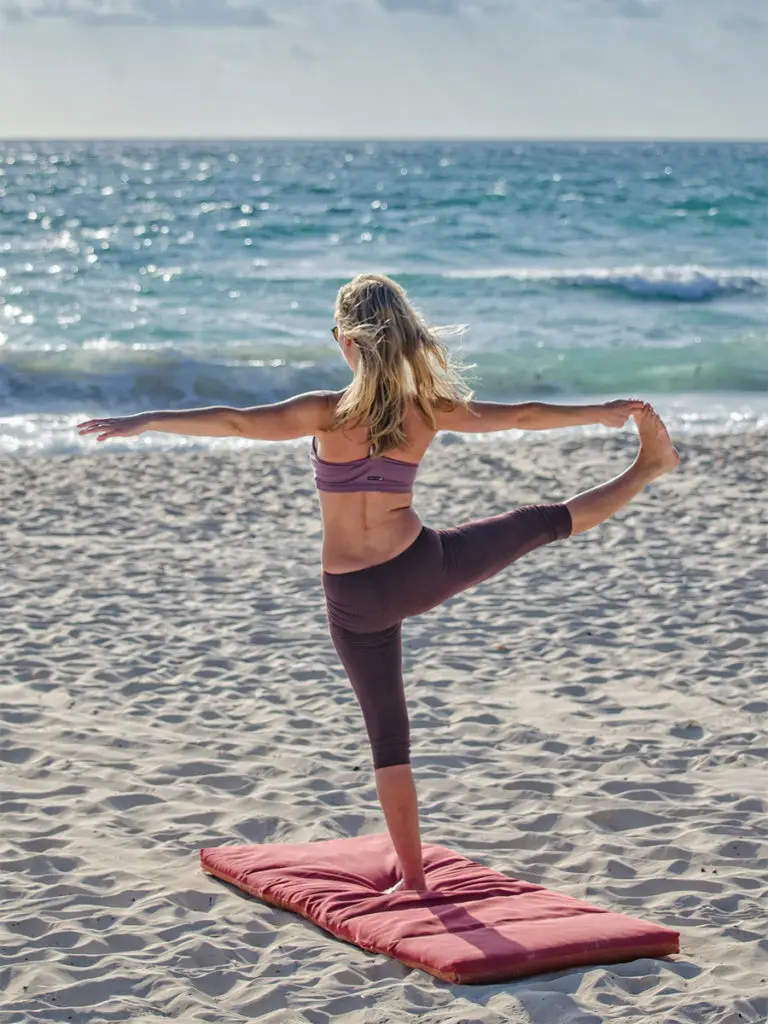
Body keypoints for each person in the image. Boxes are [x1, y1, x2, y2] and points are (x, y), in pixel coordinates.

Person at [78, 272, 680, 894]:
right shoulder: (427, 410)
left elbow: (233, 422)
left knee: (388, 738)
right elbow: (522, 415)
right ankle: (647, 469)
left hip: (354, 599)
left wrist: (146, 420)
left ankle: (413, 879)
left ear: (345, 339)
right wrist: (601, 412)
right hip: (422, 569)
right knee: (538, 523)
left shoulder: (323, 412)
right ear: (405, 338)